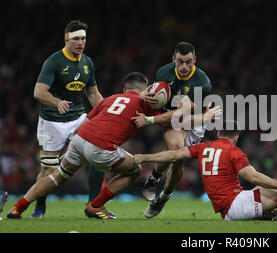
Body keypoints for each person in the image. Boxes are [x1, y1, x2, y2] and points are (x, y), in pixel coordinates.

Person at [7, 72, 219, 220]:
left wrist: (70, 147)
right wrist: (206, 116)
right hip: (101, 147)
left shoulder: (111, 98)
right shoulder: (146, 106)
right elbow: (177, 119)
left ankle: (18, 208)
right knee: (135, 170)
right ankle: (95, 206)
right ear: (146, 90)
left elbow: (85, 124)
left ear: (124, 89)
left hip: (79, 140)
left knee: (57, 176)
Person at [134, 121, 277, 220]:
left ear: (218, 133)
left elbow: (174, 155)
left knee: (263, 190)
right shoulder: (234, 151)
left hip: (227, 210)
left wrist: (145, 157)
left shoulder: (203, 147)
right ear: (236, 138)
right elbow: (252, 176)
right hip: (236, 205)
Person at [32, 20, 105, 218]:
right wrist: (56, 102)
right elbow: (38, 91)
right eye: (76, 39)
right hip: (52, 121)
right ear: (67, 39)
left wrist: (106, 110)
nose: (80, 42)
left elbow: (92, 93)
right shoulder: (54, 61)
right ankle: (40, 205)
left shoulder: (87, 62)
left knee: (99, 153)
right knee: (49, 169)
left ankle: (93, 204)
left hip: (77, 118)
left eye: (83, 38)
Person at [139, 42, 213, 218]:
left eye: (189, 62)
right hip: (173, 119)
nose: (184, 67)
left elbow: (183, 114)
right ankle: (155, 178)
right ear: (173, 59)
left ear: (195, 59)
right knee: (175, 151)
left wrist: (150, 120)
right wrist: (145, 96)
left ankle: (163, 195)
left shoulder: (203, 84)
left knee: (178, 162)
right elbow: (156, 98)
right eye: (180, 62)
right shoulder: (163, 73)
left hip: (194, 121)